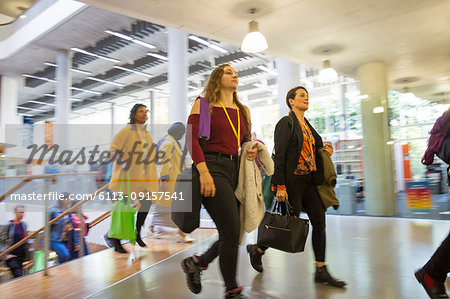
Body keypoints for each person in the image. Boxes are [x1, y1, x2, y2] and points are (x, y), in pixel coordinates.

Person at [246, 86, 346, 288]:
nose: (306, 98)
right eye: (302, 96)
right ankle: (257, 249)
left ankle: (321, 270)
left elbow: (315, 146)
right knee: (288, 222)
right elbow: (280, 155)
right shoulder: (286, 123)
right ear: (291, 101)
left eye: (307, 96)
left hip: (309, 182)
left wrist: (325, 149)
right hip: (292, 183)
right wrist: (280, 185)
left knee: (319, 222)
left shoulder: (307, 125)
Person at [181, 64, 257, 299]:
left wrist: (252, 150)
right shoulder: (204, 105)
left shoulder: (242, 110)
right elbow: (192, 140)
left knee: (231, 232)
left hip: (236, 169)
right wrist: (203, 171)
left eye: (236, 72)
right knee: (231, 230)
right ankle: (232, 289)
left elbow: (245, 141)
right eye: (228, 72)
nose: (235, 75)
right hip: (212, 167)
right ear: (217, 78)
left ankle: (197, 263)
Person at [107, 103, 158, 252]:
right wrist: (123, 162)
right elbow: (113, 150)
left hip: (143, 178)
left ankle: (137, 232)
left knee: (146, 203)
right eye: (141, 111)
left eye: (145, 112)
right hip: (127, 177)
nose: (144, 114)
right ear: (134, 114)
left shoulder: (147, 135)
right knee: (123, 208)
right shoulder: (126, 131)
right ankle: (115, 239)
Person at [151, 122, 194, 243]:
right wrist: (163, 180)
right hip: (169, 180)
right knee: (174, 207)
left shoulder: (172, 142)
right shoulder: (168, 143)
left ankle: (153, 228)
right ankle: (181, 233)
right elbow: (163, 161)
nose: (183, 135)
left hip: (174, 179)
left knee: (166, 206)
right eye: (182, 133)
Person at [0, 205, 29, 278]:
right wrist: (5, 255)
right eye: (20, 212)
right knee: (19, 276)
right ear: (15, 213)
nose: (22, 214)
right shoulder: (8, 225)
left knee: (19, 275)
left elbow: (25, 238)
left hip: (21, 256)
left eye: (23, 212)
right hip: (11, 256)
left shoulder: (24, 225)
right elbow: (1, 241)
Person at [50, 193, 78, 264]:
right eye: (68, 198)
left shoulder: (68, 212)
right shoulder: (53, 211)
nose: (70, 200)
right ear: (62, 199)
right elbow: (47, 227)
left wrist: (76, 242)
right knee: (65, 255)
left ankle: (58, 267)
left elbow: (71, 226)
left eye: (70, 199)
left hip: (65, 239)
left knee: (68, 257)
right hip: (55, 239)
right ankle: (56, 264)